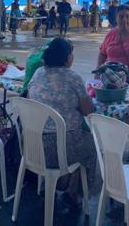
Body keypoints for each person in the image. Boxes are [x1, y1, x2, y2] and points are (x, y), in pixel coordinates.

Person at [28, 38, 101, 209]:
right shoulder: (73, 78)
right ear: (67, 57)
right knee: (92, 145)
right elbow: (88, 111)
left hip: (34, 145)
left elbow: (28, 100)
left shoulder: (38, 73)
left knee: (77, 138)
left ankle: (61, 182)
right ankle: (74, 192)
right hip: (62, 148)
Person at [97, 5, 129, 86]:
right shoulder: (110, 34)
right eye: (121, 17)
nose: (124, 19)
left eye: (127, 16)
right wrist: (97, 74)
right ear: (116, 19)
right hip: (112, 80)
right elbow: (102, 54)